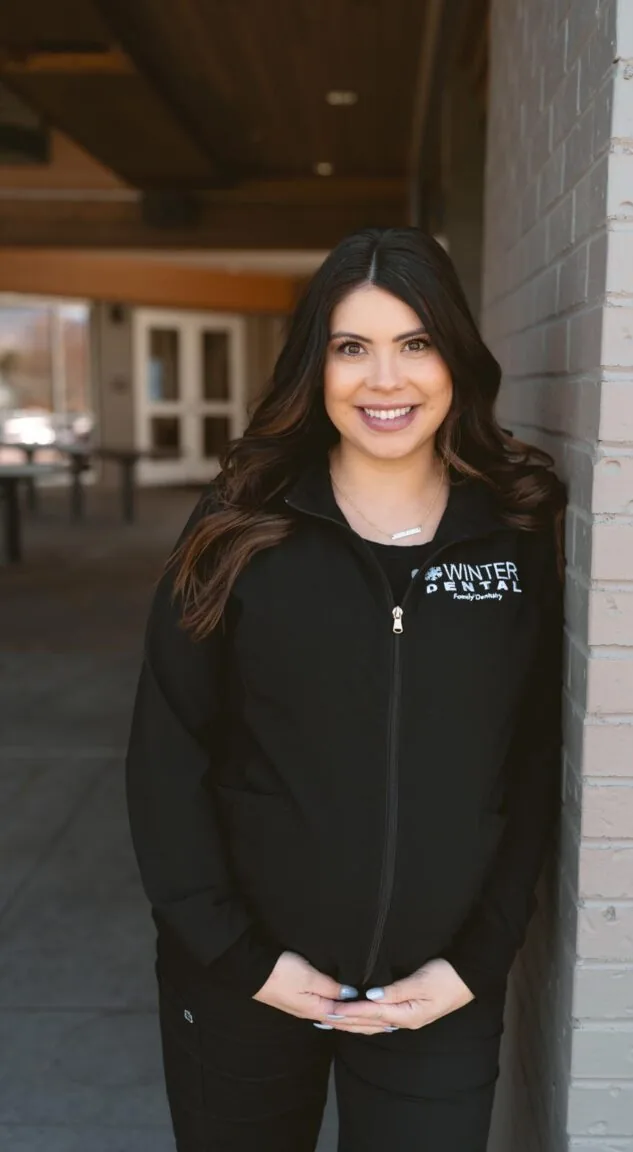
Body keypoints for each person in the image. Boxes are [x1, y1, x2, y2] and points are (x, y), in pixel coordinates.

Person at [125, 226, 566, 1152]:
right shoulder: (242, 529)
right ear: (314, 367)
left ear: (455, 357)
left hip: (436, 992)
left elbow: (528, 763)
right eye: (351, 347)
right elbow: (167, 751)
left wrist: (477, 962)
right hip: (247, 984)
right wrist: (240, 957)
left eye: (415, 344)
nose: (385, 380)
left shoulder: (514, 532)